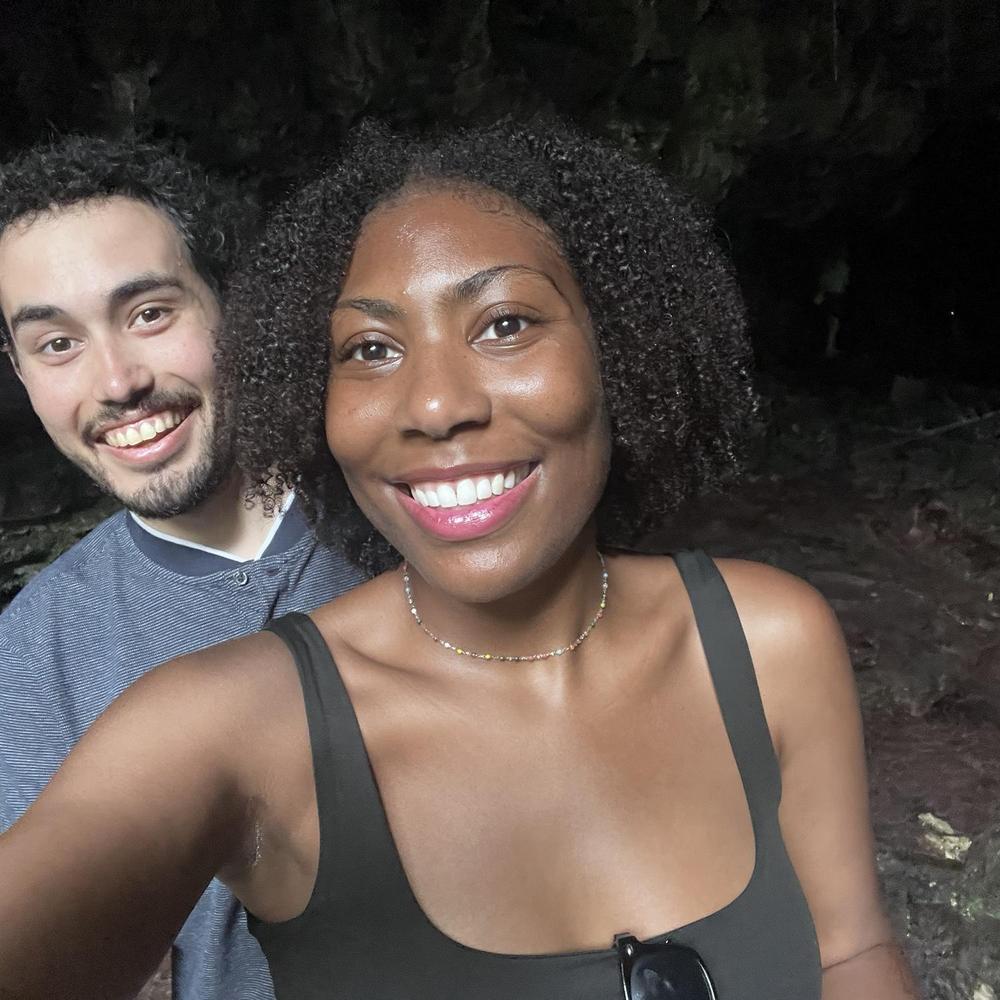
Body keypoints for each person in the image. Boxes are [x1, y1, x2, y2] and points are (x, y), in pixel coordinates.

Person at [0, 120, 918, 999]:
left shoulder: (768, 640)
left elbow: (853, 950)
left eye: (505, 325)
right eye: (370, 348)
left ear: (621, 347)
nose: (436, 405)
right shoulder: (205, 712)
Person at [0, 136, 362, 1000]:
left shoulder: (414, 519)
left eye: (150, 314)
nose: (117, 381)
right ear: (18, 372)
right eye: (56, 344)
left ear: (232, 304)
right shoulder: (31, 656)